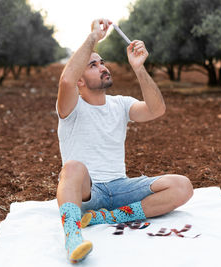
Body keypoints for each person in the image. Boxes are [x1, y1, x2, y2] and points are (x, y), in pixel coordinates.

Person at [56, 18, 193, 263]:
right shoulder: (71, 108)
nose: (102, 67)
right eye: (93, 65)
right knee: (72, 168)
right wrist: (93, 38)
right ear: (80, 80)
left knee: (182, 186)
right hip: (89, 192)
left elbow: (156, 109)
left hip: (121, 188)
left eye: (102, 62)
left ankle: (111, 217)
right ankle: (73, 235)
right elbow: (66, 80)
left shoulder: (120, 104)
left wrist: (139, 68)